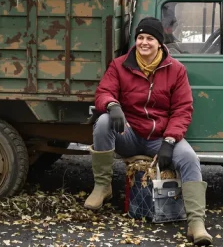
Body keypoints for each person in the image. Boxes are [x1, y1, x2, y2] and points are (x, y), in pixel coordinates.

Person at [85, 17, 213, 245]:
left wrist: (170, 141)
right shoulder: (120, 65)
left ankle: (196, 223)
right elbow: (104, 92)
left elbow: (183, 109)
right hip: (130, 134)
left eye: (150, 38)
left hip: (160, 138)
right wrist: (113, 106)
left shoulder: (176, 70)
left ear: (160, 43)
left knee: (190, 159)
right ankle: (102, 187)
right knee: (103, 121)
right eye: (140, 38)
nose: (144, 42)